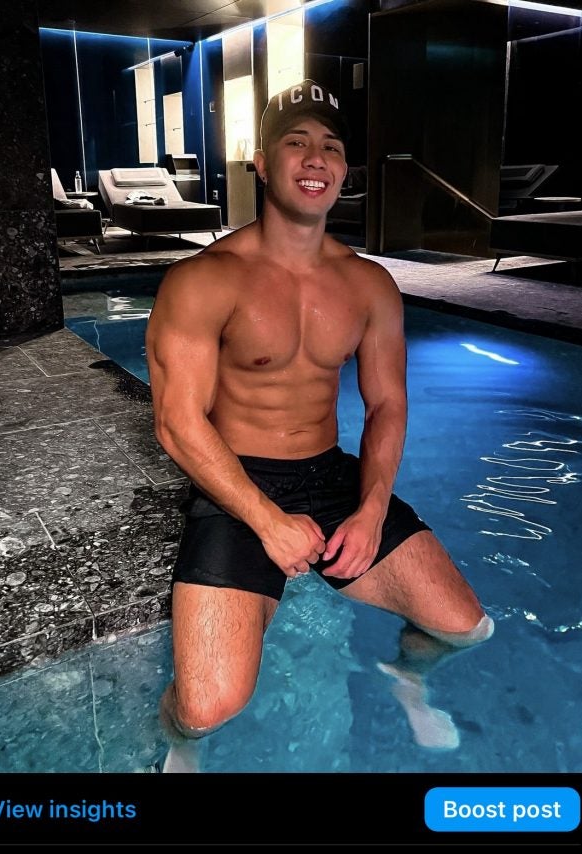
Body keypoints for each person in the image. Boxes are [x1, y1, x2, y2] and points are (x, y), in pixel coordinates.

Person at [146, 79, 494, 771]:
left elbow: (388, 405)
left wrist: (370, 511)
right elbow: (177, 422)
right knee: (206, 707)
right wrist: (267, 521)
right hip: (238, 483)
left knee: (465, 627)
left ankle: (407, 676)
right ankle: (177, 744)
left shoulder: (368, 285)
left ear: (343, 169)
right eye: (296, 142)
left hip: (330, 474)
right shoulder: (203, 279)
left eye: (331, 146)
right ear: (261, 161)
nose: (315, 159)